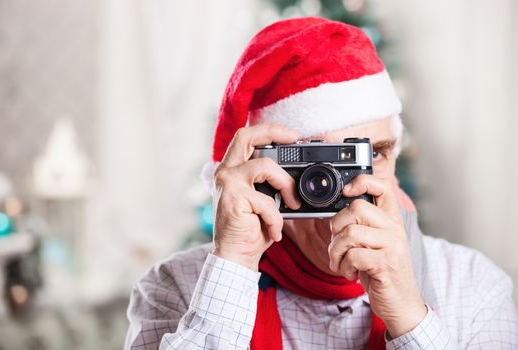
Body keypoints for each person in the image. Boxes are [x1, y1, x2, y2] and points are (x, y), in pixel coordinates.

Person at [124, 17, 518, 350]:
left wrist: (410, 316)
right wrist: (233, 267)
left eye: (371, 156)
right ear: (260, 169)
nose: (343, 191)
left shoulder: (471, 285)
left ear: (394, 156)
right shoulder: (174, 287)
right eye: (314, 170)